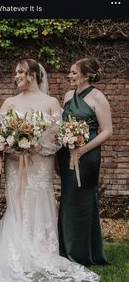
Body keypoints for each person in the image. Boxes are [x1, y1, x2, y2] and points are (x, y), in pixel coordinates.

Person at [0, 58, 99, 282]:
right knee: (17, 203)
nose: (15, 76)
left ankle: (41, 249)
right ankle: (16, 250)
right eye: (15, 72)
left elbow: (59, 137)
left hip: (41, 163)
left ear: (33, 76)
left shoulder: (51, 102)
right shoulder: (9, 103)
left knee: (40, 198)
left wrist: (39, 146)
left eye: (20, 72)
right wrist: (14, 145)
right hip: (16, 163)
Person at [58, 57, 113, 266]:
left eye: (73, 72)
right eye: (69, 72)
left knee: (83, 198)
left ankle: (83, 252)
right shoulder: (67, 96)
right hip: (67, 155)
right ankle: (67, 249)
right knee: (68, 198)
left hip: (87, 155)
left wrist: (84, 149)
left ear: (86, 74)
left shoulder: (98, 97)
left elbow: (107, 130)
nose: (69, 76)